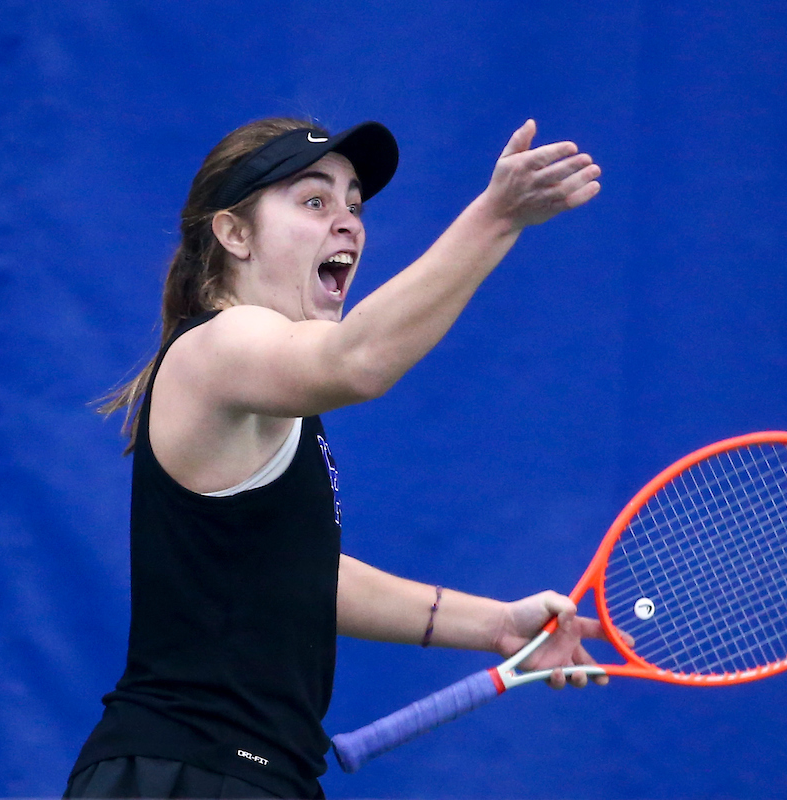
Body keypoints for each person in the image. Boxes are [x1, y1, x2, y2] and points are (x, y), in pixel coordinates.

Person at [65, 117, 605, 799]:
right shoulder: (221, 346)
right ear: (234, 234)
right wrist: (497, 217)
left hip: (251, 777)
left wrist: (496, 624)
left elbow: (299, 572)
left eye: (354, 204)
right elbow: (359, 361)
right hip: (183, 775)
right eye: (314, 201)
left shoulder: (271, 396)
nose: (348, 222)